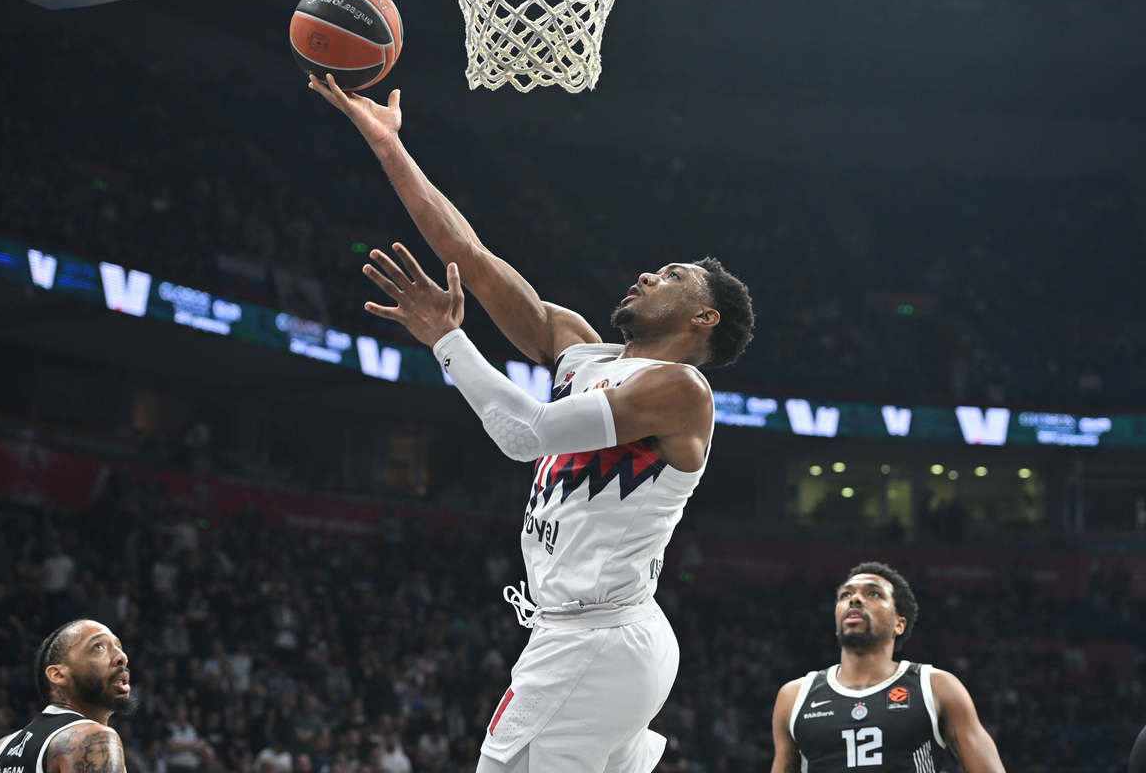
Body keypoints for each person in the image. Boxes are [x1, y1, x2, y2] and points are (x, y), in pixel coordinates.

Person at [308, 75, 755, 773]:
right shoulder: (578, 347)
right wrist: (388, 145)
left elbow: (527, 434)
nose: (647, 275)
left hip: (597, 640)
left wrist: (447, 343)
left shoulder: (680, 390)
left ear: (703, 319)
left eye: (672, 276)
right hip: (586, 637)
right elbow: (473, 259)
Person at [770, 563, 1006, 773]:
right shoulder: (794, 695)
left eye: (873, 593)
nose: (855, 599)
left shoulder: (936, 686)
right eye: (845, 595)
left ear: (899, 624)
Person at [0, 619, 137, 773]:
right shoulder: (93, 738)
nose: (122, 656)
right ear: (58, 675)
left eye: (118, 646)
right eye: (98, 647)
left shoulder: (3, 748)